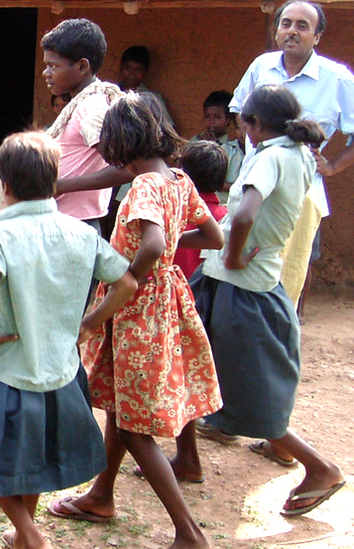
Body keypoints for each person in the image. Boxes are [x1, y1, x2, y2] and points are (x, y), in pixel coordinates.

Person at [48, 93, 222, 549]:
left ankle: (189, 533)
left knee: (131, 424)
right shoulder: (179, 181)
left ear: (120, 141)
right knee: (121, 404)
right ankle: (101, 496)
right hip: (165, 299)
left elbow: (149, 247)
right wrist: (164, 243)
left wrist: (124, 284)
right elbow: (213, 235)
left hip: (138, 307)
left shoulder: (144, 186)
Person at [0, 131, 137, 549]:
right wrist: (91, 322)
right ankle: (25, 533)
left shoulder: (0, 237)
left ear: (2, 186)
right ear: (55, 183)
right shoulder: (79, 232)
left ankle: (31, 534)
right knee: (33, 460)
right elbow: (126, 282)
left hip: (7, 374)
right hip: (61, 372)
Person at [192, 84, 347, 517]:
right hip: (233, 280)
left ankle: (320, 468)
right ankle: (187, 455)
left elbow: (243, 214)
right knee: (193, 362)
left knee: (247, 391)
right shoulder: (298, 154)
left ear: (254, 125)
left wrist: (236, 254)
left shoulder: (271, 156)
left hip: (244, 286)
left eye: (243, 121)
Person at [230, 0, 354, 316]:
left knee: (294, 264)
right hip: (254, 183)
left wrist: (332, 166)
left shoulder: (336, 78)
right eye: (286, 23)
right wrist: (257, 149)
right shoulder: (262, 67)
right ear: (276, 31)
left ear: (317, 37)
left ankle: (288, 325)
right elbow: (237, 110)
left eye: (303, 26)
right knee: (249, 259)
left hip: (298, 193)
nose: (292, 31)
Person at [41, 19, 131, 235]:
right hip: (64, 220)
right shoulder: (80, 103)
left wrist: (58, 186)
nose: (46, 73)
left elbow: (127, 169)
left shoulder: (91, 108)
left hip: (74, 225)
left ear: (82, 66)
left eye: (53, 66)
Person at [173, 140, 231, 280]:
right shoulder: (225, 218)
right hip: (205, 296)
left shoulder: (171, 211)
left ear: (184, 174)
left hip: (170, 293)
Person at [201, 90, 243, 204]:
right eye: (207, 117)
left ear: (229, 121)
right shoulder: (198, 141)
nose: (211, 122)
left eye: (217, 117)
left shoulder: (234, 150)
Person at [118, 45, 168, 115]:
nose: (132, 74)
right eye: (128, 68)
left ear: (145, 72)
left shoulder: (153, 100)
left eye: (138, 70)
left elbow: (165, 125)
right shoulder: (108, 94)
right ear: (121, 68)